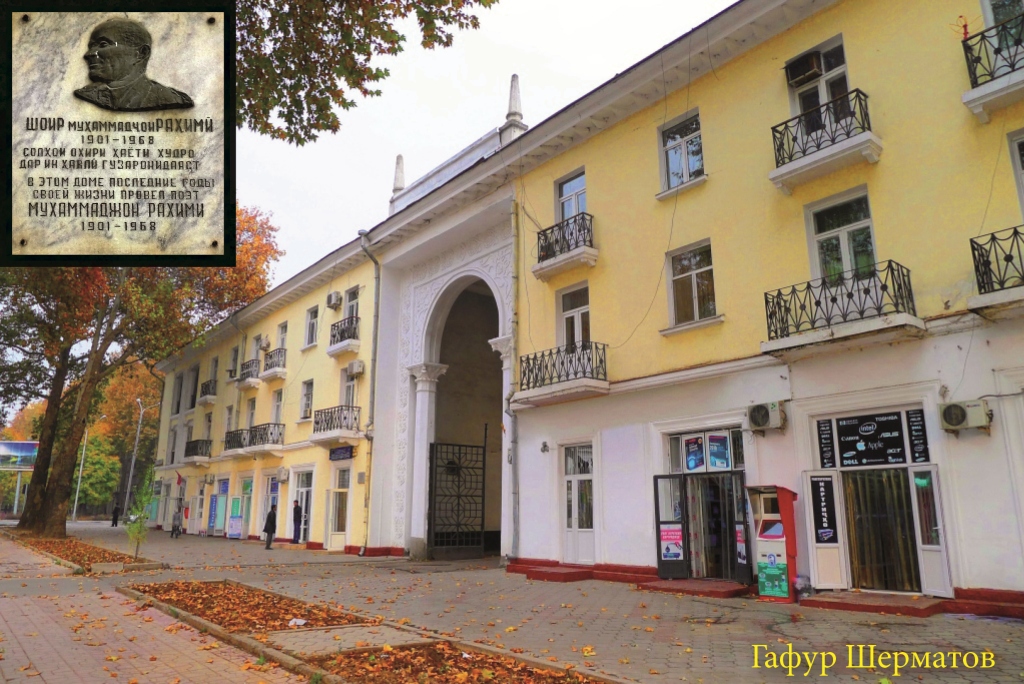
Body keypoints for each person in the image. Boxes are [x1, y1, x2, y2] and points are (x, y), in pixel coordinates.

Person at [74, 18, 194, 112]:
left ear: (141, 53)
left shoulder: (169, 99)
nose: (89, 54)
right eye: (91, 47)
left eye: (103, 44)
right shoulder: (87, 95)